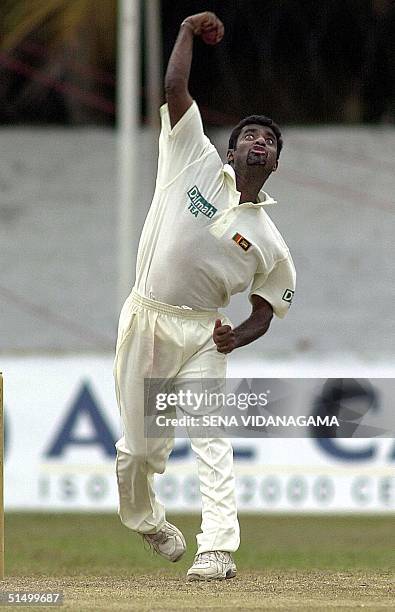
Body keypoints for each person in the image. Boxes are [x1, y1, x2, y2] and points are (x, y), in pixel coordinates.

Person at [113, 11, 296, 581]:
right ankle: (147, 521)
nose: (258, 143)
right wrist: (188, 33)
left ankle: (216, 548)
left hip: (202, 337)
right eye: (248, 136)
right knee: (138, 452)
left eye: (268, 140)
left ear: (274, 161)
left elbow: (268, 306)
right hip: (147, 320)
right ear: (230, 149)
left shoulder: (270, 241)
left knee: (211, 437)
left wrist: (235, 336)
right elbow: (173, 88)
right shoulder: (190, 158)